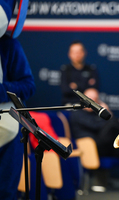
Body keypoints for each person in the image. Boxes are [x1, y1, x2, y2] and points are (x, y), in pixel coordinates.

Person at [0, 1, 36, 199]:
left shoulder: (8, 45)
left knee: (6, 192)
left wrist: (2, 90)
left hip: (7, 129)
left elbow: (29, 85)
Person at [69, 88, 119, 192]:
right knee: (113, 124)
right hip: (90, 145)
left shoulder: (95, 113)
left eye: (95, 99)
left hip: (104, 144)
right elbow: (95, 126)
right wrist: (110, 116)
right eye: (90, 99)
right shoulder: (78, 113)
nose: (93, 102)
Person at [60, 41, 99, 105]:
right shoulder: (65, 70)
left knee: (104, 108)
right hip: (71, 104)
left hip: (89, 104)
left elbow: (94, 89)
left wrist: (76, 86)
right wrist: (85, 86)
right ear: (69, 54)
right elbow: (65, 90)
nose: (77, 55)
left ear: (84, 53)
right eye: (74, 52)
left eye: (79, 52)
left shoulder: (91, 69)